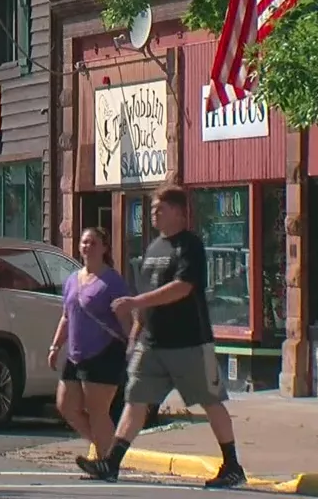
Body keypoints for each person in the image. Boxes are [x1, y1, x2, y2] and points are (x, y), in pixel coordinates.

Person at [75, 185, 246, 488]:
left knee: (211, 402)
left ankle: (232, 466)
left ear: (179, 212)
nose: (154, 213)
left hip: (190, 343)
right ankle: (111, 464)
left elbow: (182, 288)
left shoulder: (189, 246)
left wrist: (135, 304)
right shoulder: (154, 248)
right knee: (135, 401)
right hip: (151, 343)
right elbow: (145, 293)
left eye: (160, 208)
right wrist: (136, 334)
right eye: (153, 208)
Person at [47, 227, 132, 460]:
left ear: (104, 248)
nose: (87, 247)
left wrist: (134, 348)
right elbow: (67, 315)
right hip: (75, 355)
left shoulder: (112, 281)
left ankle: (106, 461)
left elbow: (125, 318)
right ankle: (108, 450)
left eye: (93, 243)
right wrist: (55, 346)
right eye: (84, 242)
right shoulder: (72, 280)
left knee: (97, 411)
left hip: (104, 353)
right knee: (66, 406)